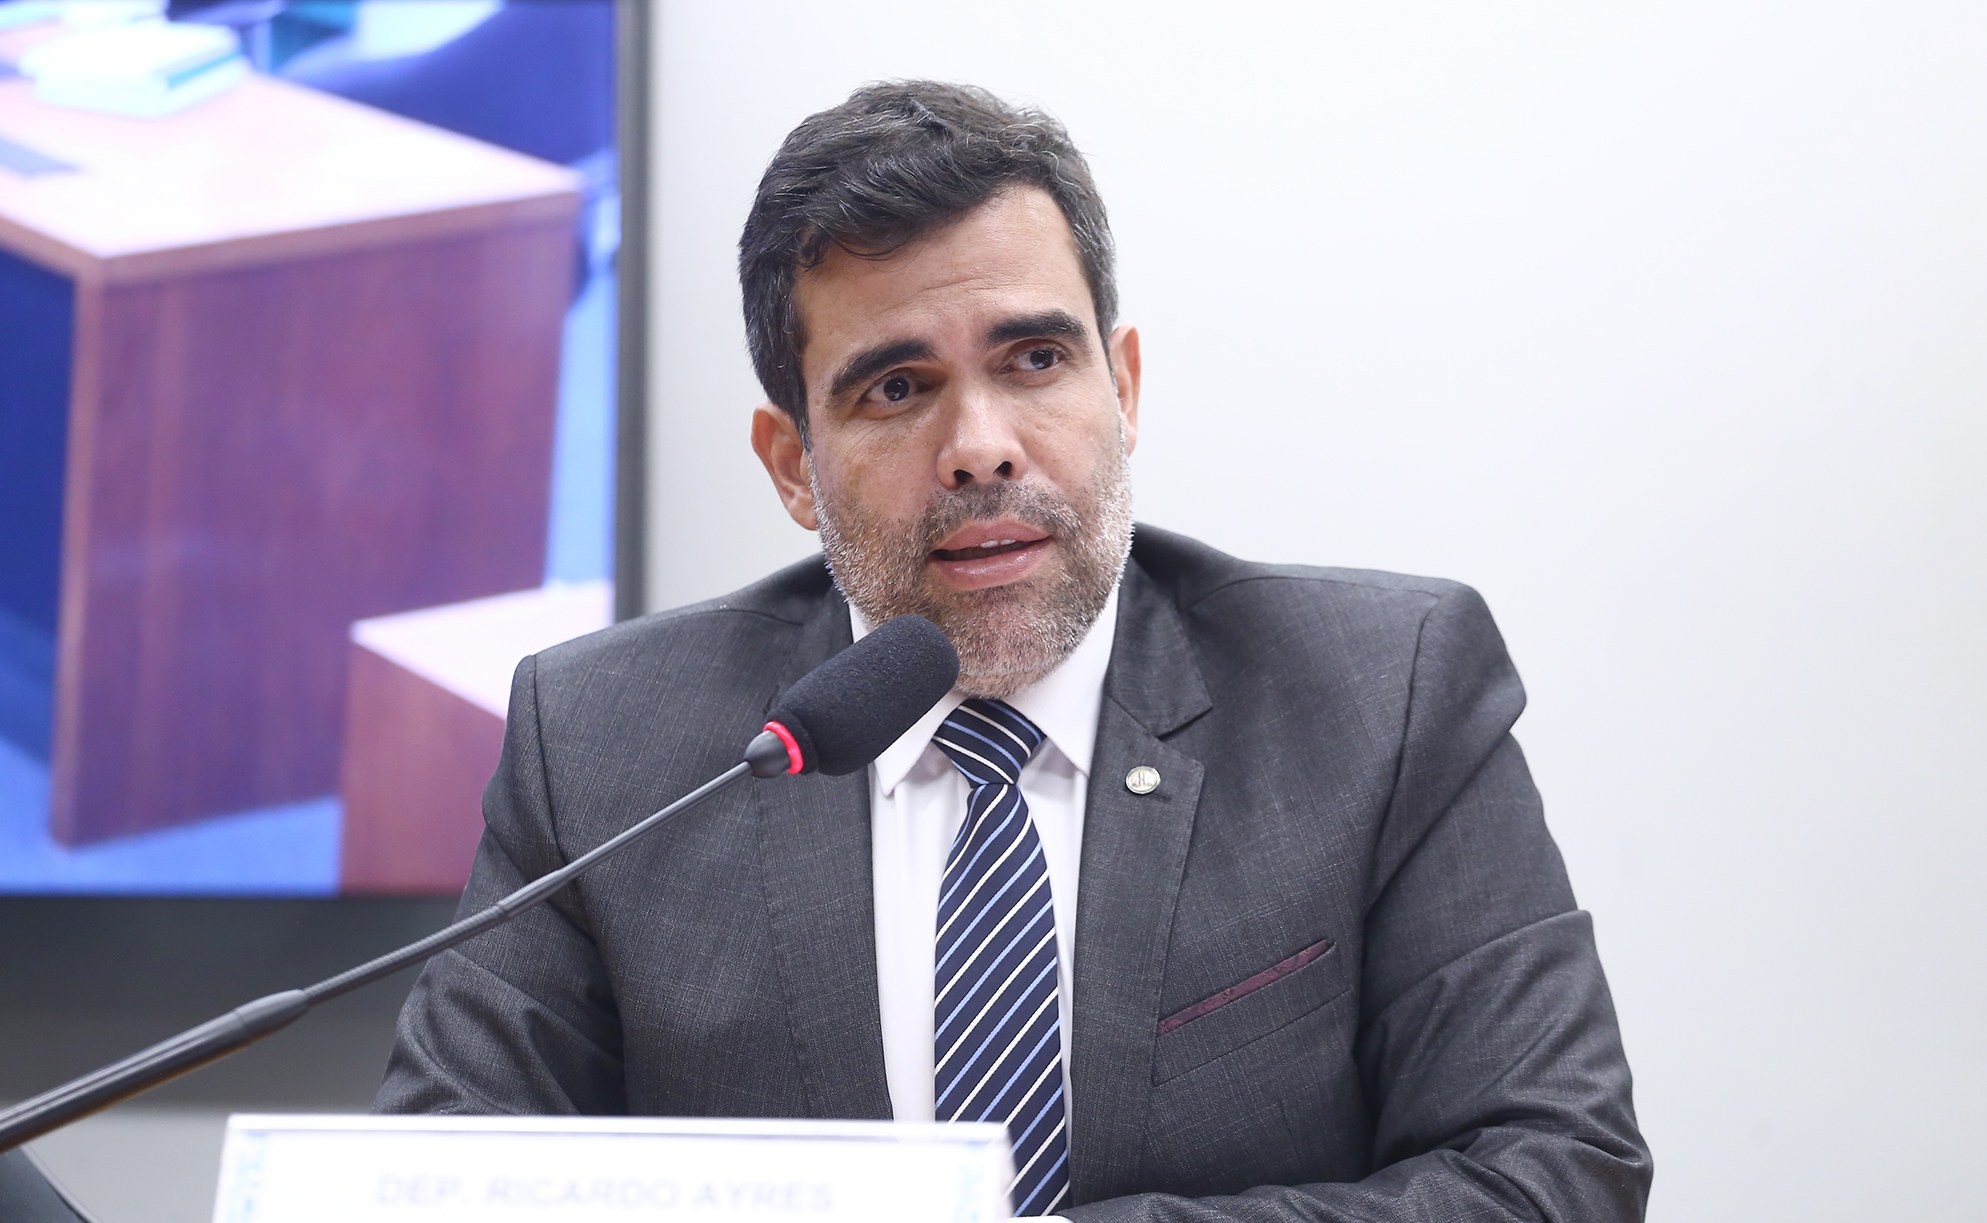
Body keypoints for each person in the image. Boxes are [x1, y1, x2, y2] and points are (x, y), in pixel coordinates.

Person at [377, 81, 1652, 1221]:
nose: (981, 446)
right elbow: (440, 1176)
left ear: (1123, 388)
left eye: (1035, 359)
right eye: (896, 387)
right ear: (792, 464)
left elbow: (1552, 1168)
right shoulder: (605, 743)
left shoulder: (1383, 692)